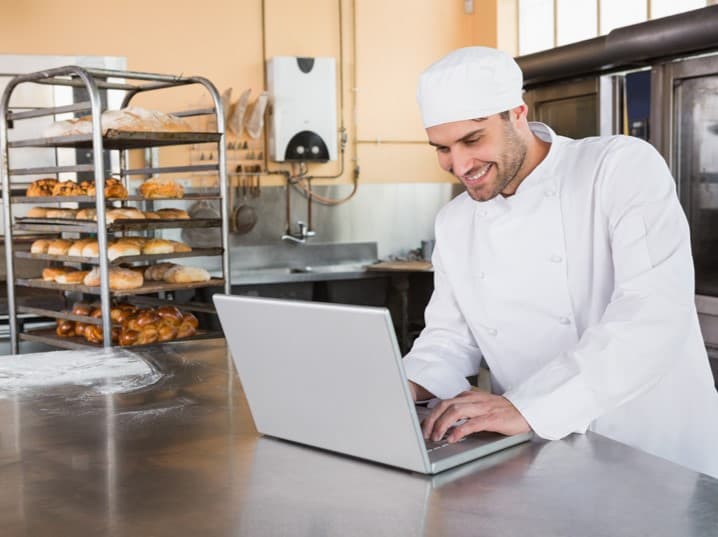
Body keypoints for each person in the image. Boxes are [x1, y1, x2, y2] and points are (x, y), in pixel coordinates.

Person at [404, 46, 718, 478]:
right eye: (442, 148)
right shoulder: (455, 221)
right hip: (541, 451)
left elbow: (653, 313)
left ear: (517, 114)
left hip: (654, 449)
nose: (459, 165)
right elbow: (448, 339)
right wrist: (401, 386)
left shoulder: (618, 167)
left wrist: (529, 406)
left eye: (472, 140)